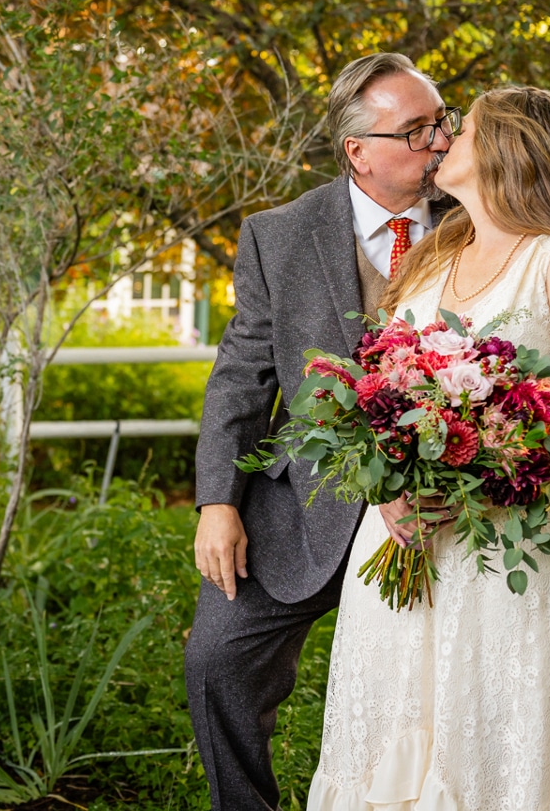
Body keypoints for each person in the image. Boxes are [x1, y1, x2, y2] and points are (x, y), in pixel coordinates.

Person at [306, 87, 550, 810]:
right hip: (406, 551)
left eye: (457, 129)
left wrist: (483, 485)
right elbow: (382, 394)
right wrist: (391, 484)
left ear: (505, 148)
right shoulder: (434, 257)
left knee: (498, 756)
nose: (441, 139)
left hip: (516, 559)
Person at [187, 53, 456, 810]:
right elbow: (242, 377)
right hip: (305, 508)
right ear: (357, 152)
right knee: (216, 663)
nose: (440, 142)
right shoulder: (279, 236)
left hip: (440, 515)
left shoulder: (478, 224)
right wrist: (218, 502)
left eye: (442, 122)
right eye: (417, 131)